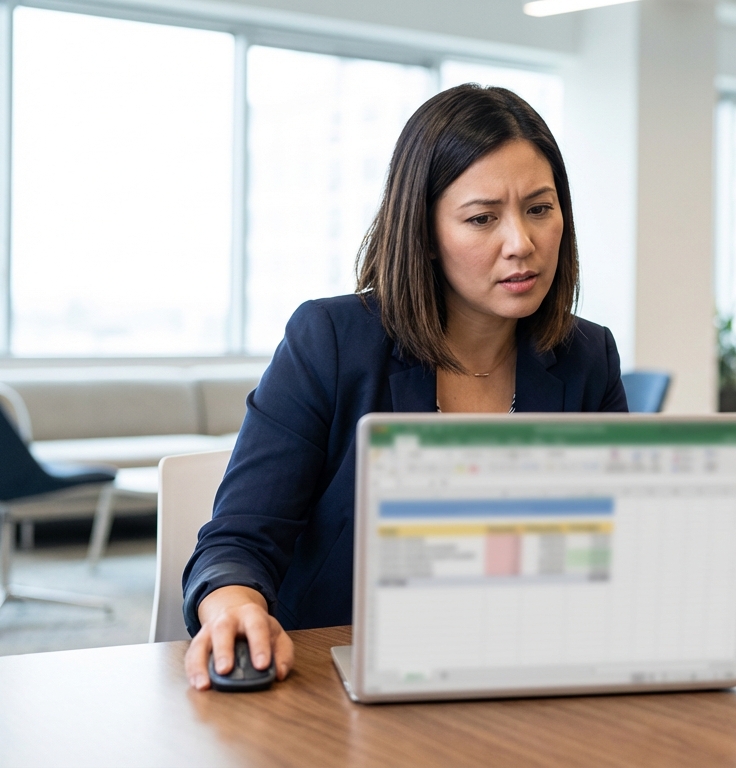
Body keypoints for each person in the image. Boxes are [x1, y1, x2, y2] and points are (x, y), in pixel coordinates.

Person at [182, 85, 628, 690]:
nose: (521, 243)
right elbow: (238, 539)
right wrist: (233, 606)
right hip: (338, 683)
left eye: (540, 209)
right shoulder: (331, 341)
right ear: (422, 229)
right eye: (482, 218)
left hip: (523, 675)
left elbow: (611, 549)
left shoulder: (586, 357)